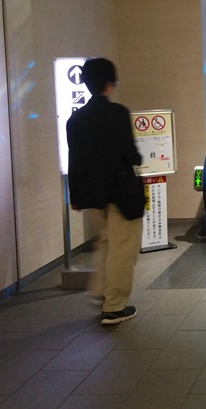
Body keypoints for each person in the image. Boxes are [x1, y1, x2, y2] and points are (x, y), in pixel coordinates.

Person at [66, 57, 143, 325]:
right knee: (123, 250)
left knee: (106, 244)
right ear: (110, 83)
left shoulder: (75, 119)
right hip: (122, 193)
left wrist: (75, 197)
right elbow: (129, 152)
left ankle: (102, 291)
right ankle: (114, 307)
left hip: (96, 196)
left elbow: (75, 160)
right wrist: (137, 158)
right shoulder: (117, 113)